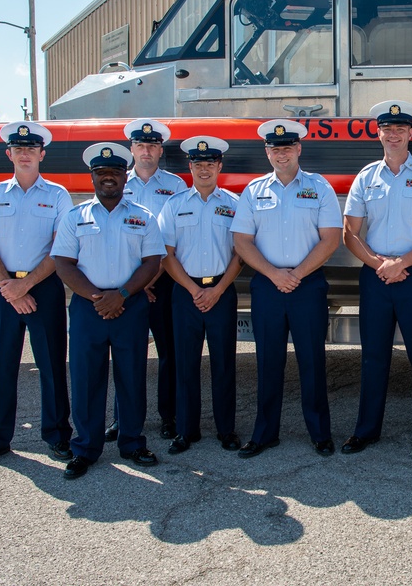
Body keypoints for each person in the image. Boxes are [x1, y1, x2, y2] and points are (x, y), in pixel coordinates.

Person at [341, 100, 412, 462]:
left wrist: (400, 263)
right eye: (387, 128)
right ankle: (366, 430)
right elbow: (350, 233)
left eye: (401, 128)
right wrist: (380, 265)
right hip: (376, 277)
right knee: (373, 358)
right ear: (378, 133)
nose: (394, 134)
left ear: (411, 133)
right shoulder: (365, 176)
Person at [51, 141, 165, 479]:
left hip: (130, 307)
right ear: (92, 178)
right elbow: (63, 263)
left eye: (114, 172)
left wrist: (124, 294)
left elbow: (152, 262)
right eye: (102, 173)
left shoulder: (143, 217)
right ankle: (85, 447)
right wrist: (99, 298)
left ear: (124, 176)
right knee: (86, 379)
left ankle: (132, 443)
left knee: (132, 378)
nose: (108, 178)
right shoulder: (75, 217)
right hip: (90, 309)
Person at [230, 119, 342, 458]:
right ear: (267, 152)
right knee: (267, 361)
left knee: (312, 360)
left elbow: (331, 238)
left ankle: (320, 433)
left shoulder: (319, 187)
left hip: (307, 286)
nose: (282, 154)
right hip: (267, 286)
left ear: (299, 149)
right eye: (275, 149)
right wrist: (274, 274)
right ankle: (265, 433)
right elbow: (242, 241)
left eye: (287, 148)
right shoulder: (253, 191)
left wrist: (296, 274)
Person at [0, 122, 74, 470]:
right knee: (2, 367)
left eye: (32, 149)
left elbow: (60, 249)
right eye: (19, 149)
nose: (25, 154)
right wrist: (9, 288)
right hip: (3, 289)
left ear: (42, 154)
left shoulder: (57, 195)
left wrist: (25, 287)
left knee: (52, 366)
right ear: (9, 154)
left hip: (43, 287)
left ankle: (58, 437)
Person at [158, 136, 242, 454]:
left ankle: (226, 430)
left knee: (223, 363)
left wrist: (218, 290)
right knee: (185, 364)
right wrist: (195, 290)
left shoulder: (234, 204)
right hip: (185, 293)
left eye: (210, 163)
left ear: (220, 166)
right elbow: (167, 255)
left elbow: (240, 253)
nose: (204, 169)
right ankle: (186, 430)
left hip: (222, 291)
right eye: (198, 164)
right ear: (189, 166)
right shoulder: (174, 205)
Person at [105, 118, 187, 443]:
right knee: (126, 354)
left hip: (163, 282)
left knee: (170, 354)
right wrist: (134, 284)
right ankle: (121, 419)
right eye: (141, 145)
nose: (147, 151)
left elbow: (174, 239)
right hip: (125, 285)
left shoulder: (176, 186)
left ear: (160, 149)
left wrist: (151, 279)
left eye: (152, 145)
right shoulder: (115, 183)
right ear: (132, 149)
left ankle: (169, 416)